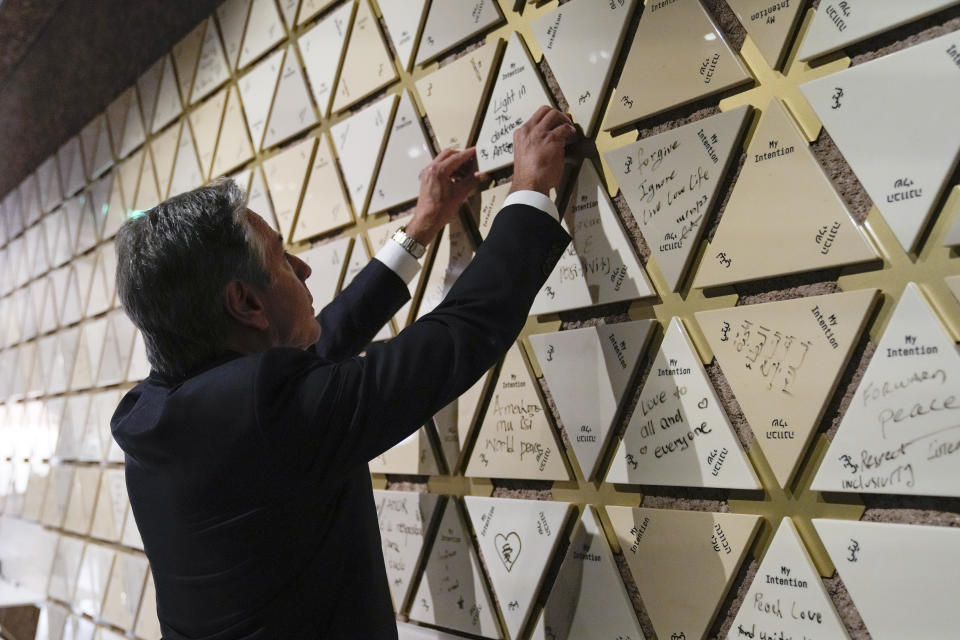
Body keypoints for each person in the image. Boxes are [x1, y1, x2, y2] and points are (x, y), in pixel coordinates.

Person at [111, 105, 577, 639]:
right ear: (245, 302)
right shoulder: (267, 412)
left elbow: (314, 353)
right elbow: (454, 339)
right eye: (283, 259)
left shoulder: (159, 410)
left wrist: (418, 232)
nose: (304, 270)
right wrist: (530, 194)